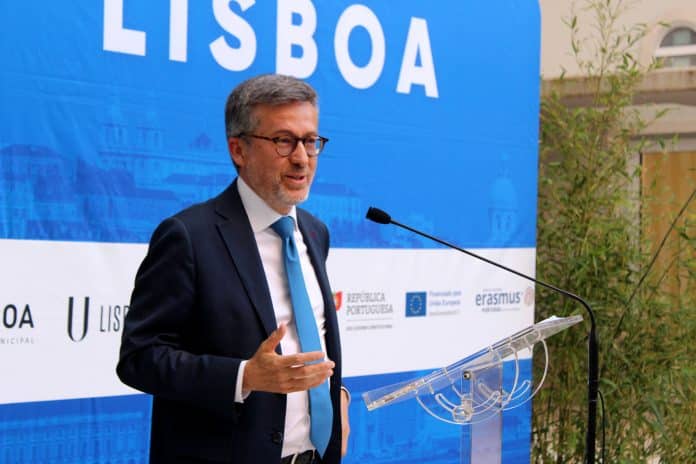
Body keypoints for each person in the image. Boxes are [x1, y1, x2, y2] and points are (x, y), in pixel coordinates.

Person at [117, 74, 349, 464]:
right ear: (238, 150)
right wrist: (244, 376)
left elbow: (311, 340)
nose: (301, 158)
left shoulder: (315, 232)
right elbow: (140, 358)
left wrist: (335, 395)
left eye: (310, 141)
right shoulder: (188, 237)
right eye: (283, 141)